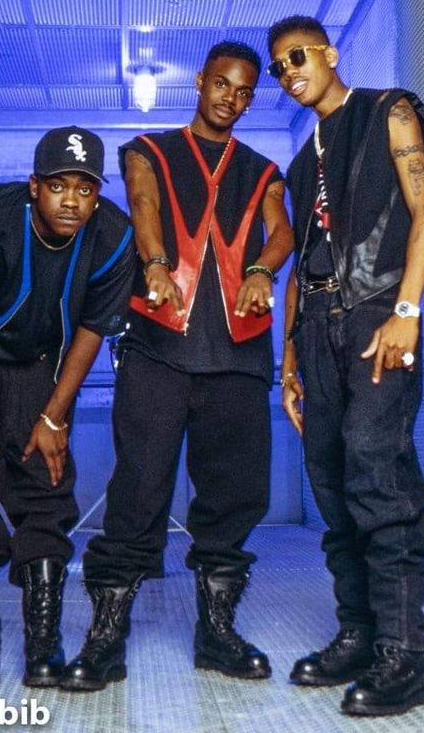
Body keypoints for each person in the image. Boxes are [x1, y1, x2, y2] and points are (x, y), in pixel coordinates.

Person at [59, 41, 294, 691]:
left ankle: (216, 634)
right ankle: (105, 640)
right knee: (137, 486)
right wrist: (156, 262)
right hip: (159, 346)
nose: (232, 99)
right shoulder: (149, 149)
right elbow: (143, 204)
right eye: (223, 84)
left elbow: (282, 232)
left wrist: (260, 270)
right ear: (200, 81)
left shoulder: (264, 168)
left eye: (246, 91)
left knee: (234, 495)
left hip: (239, 355)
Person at [266, 15, 424, 717]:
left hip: (377, 317)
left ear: (330, 54)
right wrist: (287, 357)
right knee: (332, 483)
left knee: (379, 471)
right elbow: (299, 266)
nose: (289, 72)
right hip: (316, 330)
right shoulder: (298, 160)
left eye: (298, 57)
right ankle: (361, 633)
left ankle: (406, 656)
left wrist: (407, 311)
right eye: (279, 67)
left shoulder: (387, 109)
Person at [0, 126, 134, 689]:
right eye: (57, 186)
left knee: (47, 490)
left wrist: (54, 417)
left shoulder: (115, 236)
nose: (71, 200)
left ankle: (43, 648)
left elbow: (94, 328)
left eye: (85, 189)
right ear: (33, 186)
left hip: (44, 369)